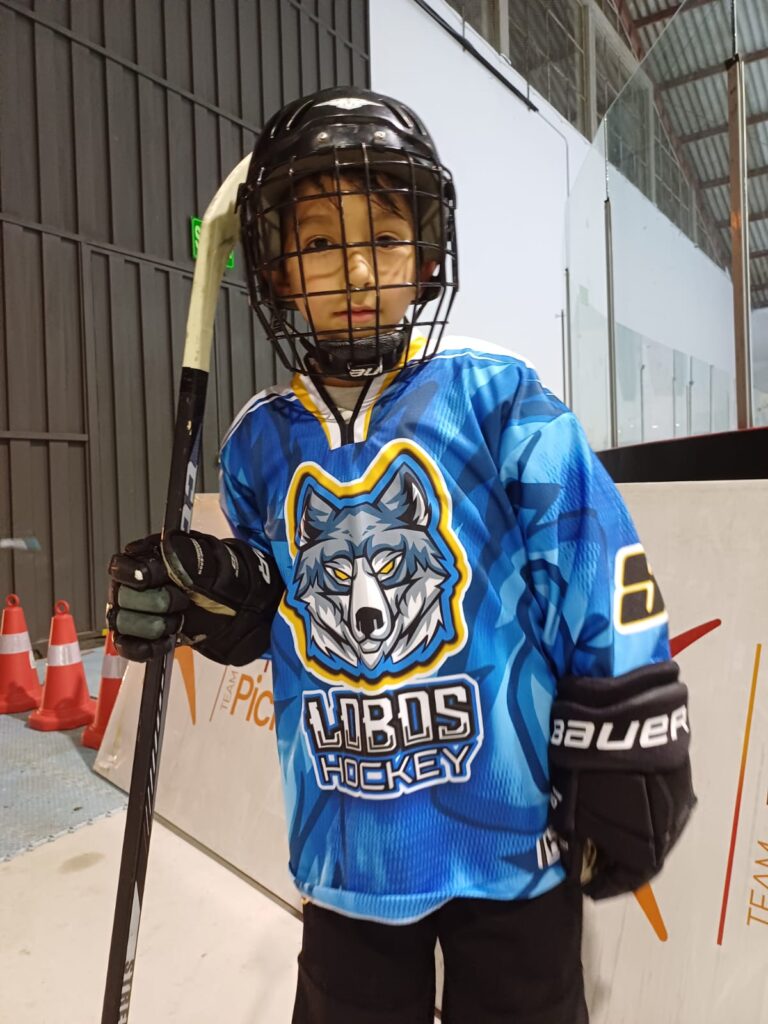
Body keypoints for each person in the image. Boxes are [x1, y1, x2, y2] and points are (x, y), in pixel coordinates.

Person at [108, 87, 695, 1024]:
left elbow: (596, 561)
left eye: (381, 239)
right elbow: (278, 604)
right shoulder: (260, 444)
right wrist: (208, 591)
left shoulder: (496, 399)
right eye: (318, 244)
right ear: (274, 269)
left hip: (511, 845)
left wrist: (632, 728)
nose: (353, 271)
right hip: (350, 852)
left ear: (426, 259)